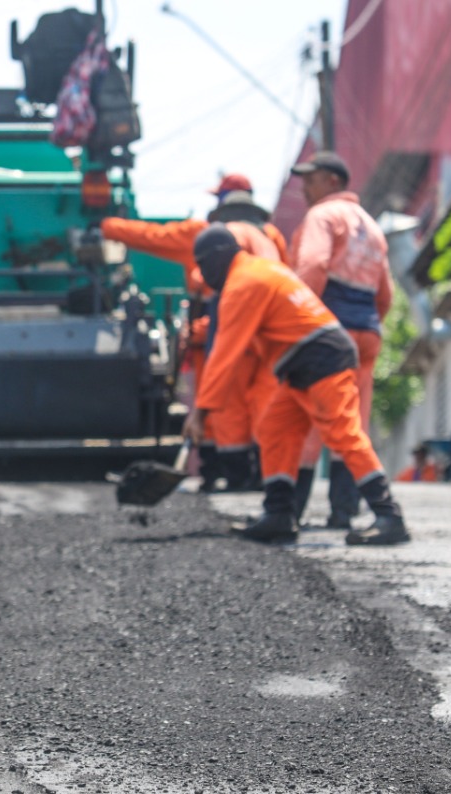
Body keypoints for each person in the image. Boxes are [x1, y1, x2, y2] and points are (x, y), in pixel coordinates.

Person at [184, 224, 410, 546]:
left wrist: (201, 413)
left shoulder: (242, 284)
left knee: (343, 433)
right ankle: (278, 515)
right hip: (304, 361)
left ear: (218, 258)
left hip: (321, 355)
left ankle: (389, 515)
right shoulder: (261, 269)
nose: (203, 277)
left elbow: (225, 353)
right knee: (275, 429)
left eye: (203, 266)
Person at [102, 186, 286, 492]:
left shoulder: (210, 236)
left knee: (225, 403)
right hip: (267, 331)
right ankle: (253, 472)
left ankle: (233, 475)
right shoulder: (272, 237)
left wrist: (107, 226)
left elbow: (153, 236)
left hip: (226, 322)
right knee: (262, 402)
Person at [289, 151, 394, 528]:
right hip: (366, 331)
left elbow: (313, 265)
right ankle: (344, 510)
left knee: (308, 419)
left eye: (311, 179)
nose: (304, 188)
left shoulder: (322, 216)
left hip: (329, 330)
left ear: (332, 182)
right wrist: (369, 325)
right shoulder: (371, 226)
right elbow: (386, 293)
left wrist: (298, 319)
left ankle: (290, 509)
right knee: (354, 422)